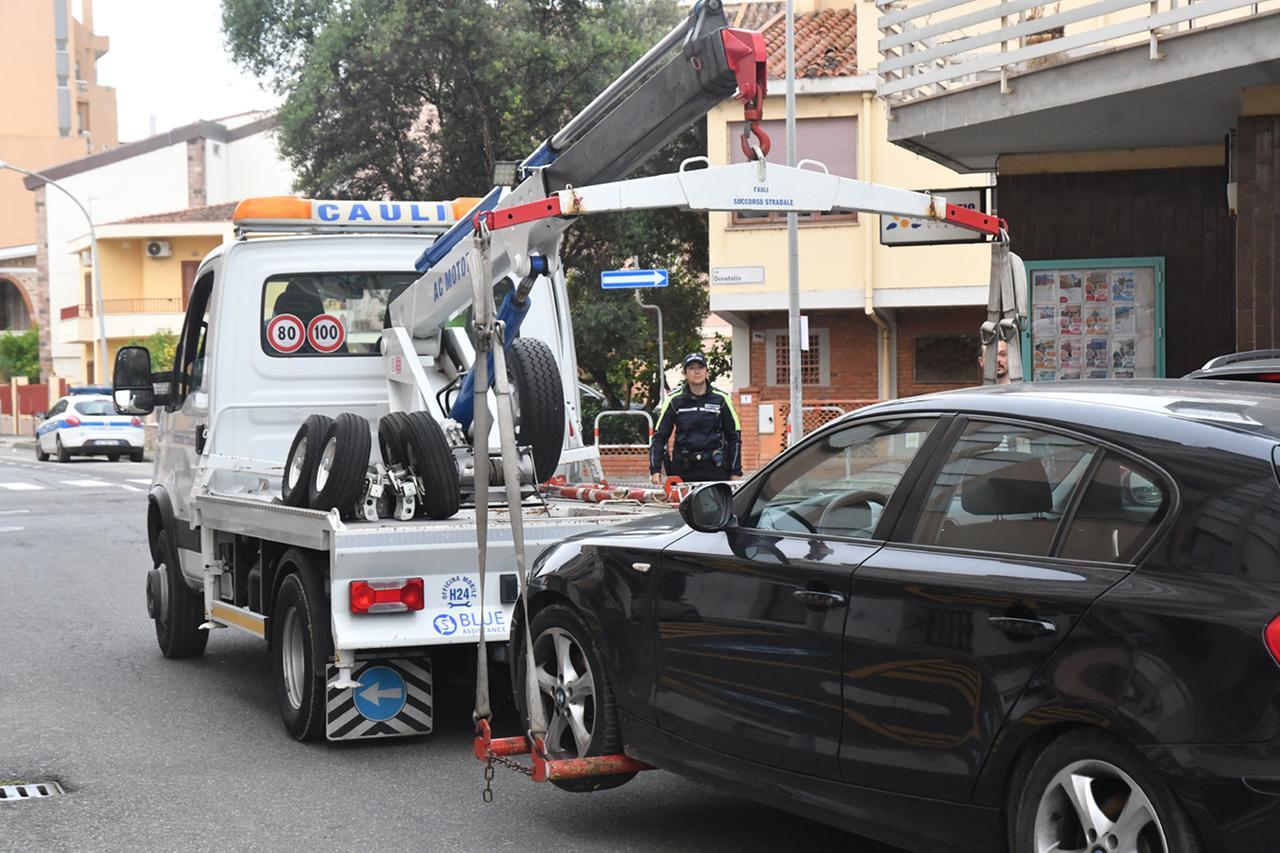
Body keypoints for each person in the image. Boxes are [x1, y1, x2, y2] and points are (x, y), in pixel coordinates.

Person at [650, 352, 743, 484]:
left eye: (700, 367)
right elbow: (659, 437)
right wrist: (655, 469)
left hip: (715, 468)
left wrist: (735, 472)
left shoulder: (721, 399)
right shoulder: (674, 400)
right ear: (684, 373)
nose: (697, 372)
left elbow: (734, 437)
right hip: (683, 468)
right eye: (691, 368)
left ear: (707, 371)